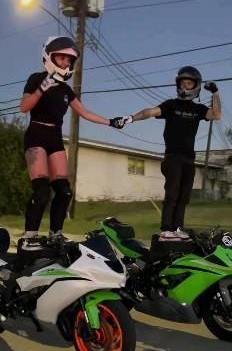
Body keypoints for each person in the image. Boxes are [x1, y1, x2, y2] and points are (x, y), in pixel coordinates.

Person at [20, 36, 125, 239]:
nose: (66, 63)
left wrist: (111, 122)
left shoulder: (67, 90)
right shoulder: (36, 78)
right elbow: (24, 107)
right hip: (36, 134)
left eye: (70, 60)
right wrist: (42, 88)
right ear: (49, 57)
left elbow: (85, 113)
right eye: (62, 58)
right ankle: (29, 236)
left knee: (64, 191)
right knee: (42, 191)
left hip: (55, 137)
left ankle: (55, 234)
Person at [123, 66, 221, 241]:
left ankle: (177, 228)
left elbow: (216, 114)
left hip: (189, 159)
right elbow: (149, 112)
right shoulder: (170, 105)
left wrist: (215, 93)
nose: (185, 86)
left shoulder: (198, 109)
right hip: (173, 157)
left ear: (196, 86)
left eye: (189, 83)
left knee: (184, 197)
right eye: (182, 83)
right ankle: (166, 230)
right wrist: (130, 118)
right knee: (172, 194)